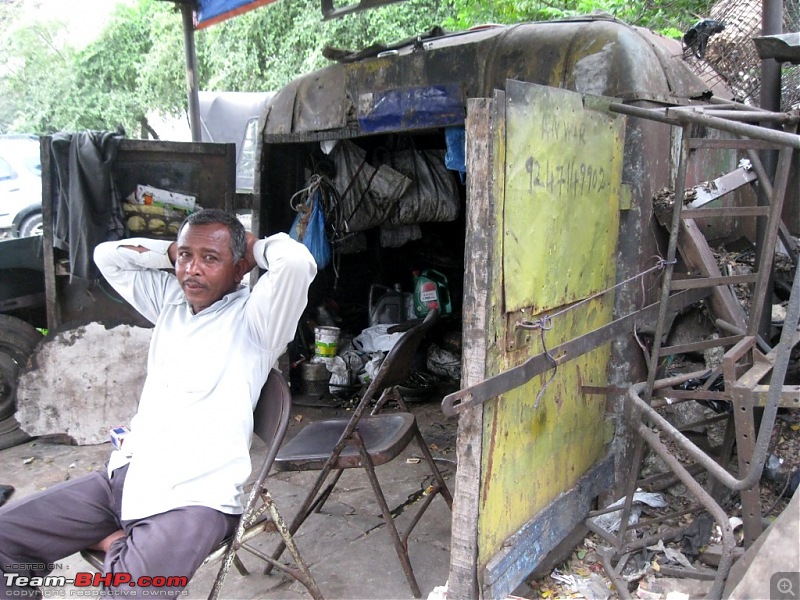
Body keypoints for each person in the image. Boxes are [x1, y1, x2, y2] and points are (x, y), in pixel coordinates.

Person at [0, 208, 317, 598]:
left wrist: (256, 246)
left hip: (193, 497)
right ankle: (113, 551)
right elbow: (107, 256)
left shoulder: (257, 321)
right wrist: (175, 250)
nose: (192, 270)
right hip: (129, 477)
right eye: (186, 256)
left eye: (211, 259)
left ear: (239, 269)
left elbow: (298, 262)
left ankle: (120, 547)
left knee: (135, 592)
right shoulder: (171, 303)